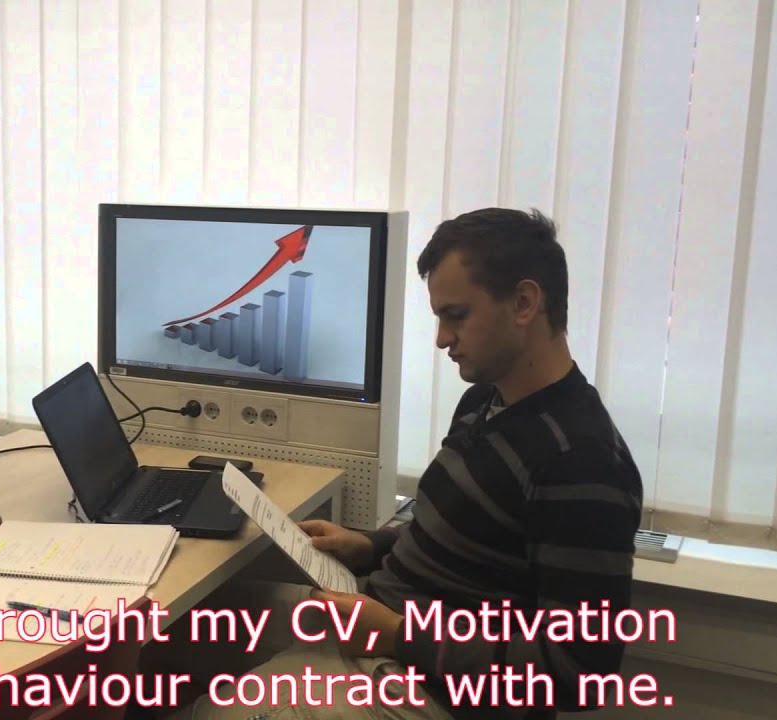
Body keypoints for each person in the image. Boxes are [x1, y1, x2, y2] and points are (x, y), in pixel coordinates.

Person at [165, 208, 643, 719]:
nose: (442, 338)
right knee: (177, 638)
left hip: (427, 689)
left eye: (457, 316)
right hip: (385, 634)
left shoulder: (581, 460)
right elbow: (468, 537)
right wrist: (371, 546)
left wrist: (397, 634)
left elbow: (580, 674)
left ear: (525, 303)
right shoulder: (487, 400)